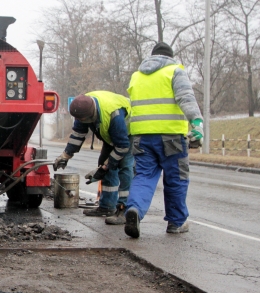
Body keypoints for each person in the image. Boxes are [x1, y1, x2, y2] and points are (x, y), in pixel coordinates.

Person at [123, 42, 203, 238]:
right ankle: (176, 223)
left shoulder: (137, 76)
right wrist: (197, 124)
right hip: (171, 136)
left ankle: (134, 210)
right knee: (176, 179)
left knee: (143, 176)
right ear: (170, 56)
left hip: (141, 136)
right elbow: (186, 98)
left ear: (152, 57)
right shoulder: (174, 71)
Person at [53, 91, 134, 224]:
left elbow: (122, 147)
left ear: (90, 116)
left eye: (81, 120)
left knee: (124, 167)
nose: (79, 122)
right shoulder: (82, 107)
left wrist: (105, 167)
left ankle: (124, 210)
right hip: (113, 136)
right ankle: (107, 206)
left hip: (130, 133)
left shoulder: (114, 115)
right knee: (103, 163)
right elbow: (78, 134)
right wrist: (65, 156)